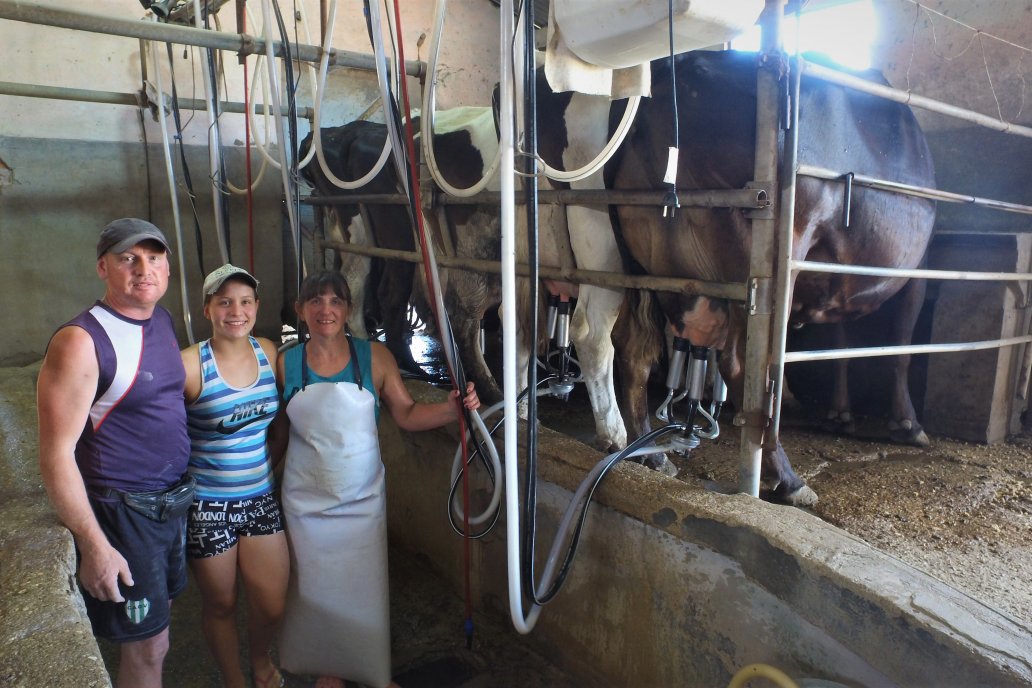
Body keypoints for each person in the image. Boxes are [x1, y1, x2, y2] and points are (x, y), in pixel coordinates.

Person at [275, 271, 480, 688]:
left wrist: (451, 410)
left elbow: (405, 413)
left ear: (348, 309)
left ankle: (371, 671)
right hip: (305, 501)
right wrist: (255, 478)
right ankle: (328, 669)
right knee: (313, 587)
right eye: (315, 301)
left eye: (335, 301)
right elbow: (279, 431)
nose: (326, 310)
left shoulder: (375, 357)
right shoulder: (286, 362)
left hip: (361, 498)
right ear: (301, 310)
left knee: (361, 589)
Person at [37, 218, 193, 688]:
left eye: (154, 257)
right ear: (103, 267)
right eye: (129, 258)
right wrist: (95, 545)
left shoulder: (162, 320)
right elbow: (55, 455)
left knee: (156, 636)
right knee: (147, 647)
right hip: (124, 514)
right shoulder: (82, 342)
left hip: (170, 505)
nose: (144, 269)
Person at [180, 264, 289, 688]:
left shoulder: (268, 351)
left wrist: (265, 469)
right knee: (221, 603)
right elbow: (160, 432)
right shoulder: (189, 366)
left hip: (260, 499)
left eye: (245, 302)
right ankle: (235, 680)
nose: (236, 311)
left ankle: (261, 660)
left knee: (272, 603)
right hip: (208, 507)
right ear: (208, 309)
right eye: (224, 302)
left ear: (257, 307)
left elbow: (280, 425)